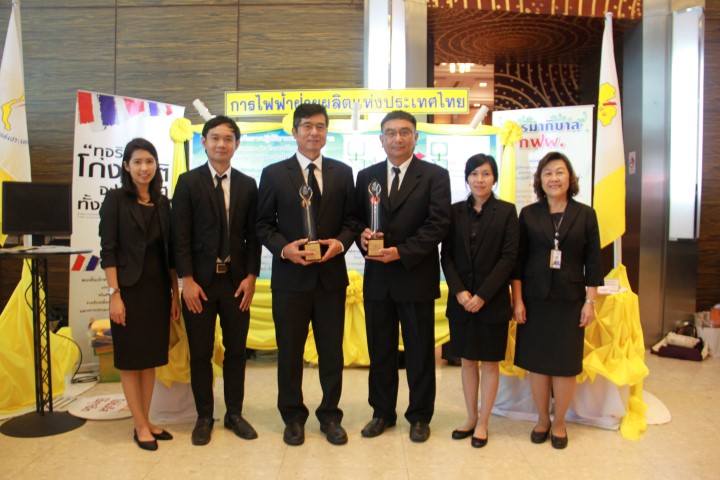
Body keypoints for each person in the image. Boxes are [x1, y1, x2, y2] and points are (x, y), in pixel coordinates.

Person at [256, 104, 356, 446]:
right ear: (295, 132)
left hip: (330, 279)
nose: (314, 132)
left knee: (331, 353)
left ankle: (330, 416)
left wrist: (339, 244)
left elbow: (352, 221)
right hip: (290, 279)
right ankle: (293, 417)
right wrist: (285, 249)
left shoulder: (343, 172)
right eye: (307, 126)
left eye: (321, 126)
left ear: (327, 131)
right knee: (289, 352)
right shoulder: (273, 173)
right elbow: (263, 224)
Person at [355, 110, 451, 443]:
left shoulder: (435, 176)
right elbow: (356, 220)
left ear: (415, 137)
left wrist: (402, 252)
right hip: (378, 280)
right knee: (380, 351)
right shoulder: (366, 176)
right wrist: (362, 235)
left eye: (405, 132)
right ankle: (382, 412)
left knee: (419, 352)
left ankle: (420, 416)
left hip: (415, 277)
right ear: (381, 139)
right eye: (391, 133)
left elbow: (438, 225)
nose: (398, 138)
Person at [172, 115, 261, 446]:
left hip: (237, 283)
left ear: (236, 144)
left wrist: (251, 276)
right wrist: (187, 280)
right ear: (204, 142)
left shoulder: (247, 184)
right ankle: (204, 416)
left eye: (228, 139)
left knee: (236, 351)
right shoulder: (188, 182)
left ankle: (234, 414)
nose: (221, 144)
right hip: (200, 284)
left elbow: (253, 236)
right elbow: (179, 236)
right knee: (201, 352)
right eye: (215, 138)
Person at [511, 151, 602, 449]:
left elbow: (594, 262)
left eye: (560, 172)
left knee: (565, 364)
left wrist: (590, 301)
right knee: (537, 363)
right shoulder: (528, 214)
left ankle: (560, 421)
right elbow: (518, 263)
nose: (554, 178)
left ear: (570, 177)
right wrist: (518, 301)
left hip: (570, 300)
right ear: (540, 180)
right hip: (535, 299)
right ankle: (542, 419)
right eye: (547, 173)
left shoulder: (585, 214)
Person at [99, 138, 180, 451]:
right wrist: (114, 295)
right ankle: (139, 425)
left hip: (157, 291)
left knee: (150, 361)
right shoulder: (116, 200)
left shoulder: (163, 204)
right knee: (131, 361)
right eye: (137, 162)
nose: (144, 168)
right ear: (126, 166)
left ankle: (146, 420)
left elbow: (170, 255)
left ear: (156, 165)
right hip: (129, 292)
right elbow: (108, 250)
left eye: (149, 161)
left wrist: (174, 295)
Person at [440, 154, 518, 448]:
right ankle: (471, 417)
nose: (479, 179)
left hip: (492, 302)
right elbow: (446, 255)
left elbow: (509, 258)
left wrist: (483, 295)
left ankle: (484, 422)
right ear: (467, 178)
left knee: (490, 363)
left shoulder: (507, 212)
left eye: (485, 174)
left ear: (494, 178)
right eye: (474, 174)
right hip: (461, 302)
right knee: (467, 361)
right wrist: (459, 291)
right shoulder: (455, 212)